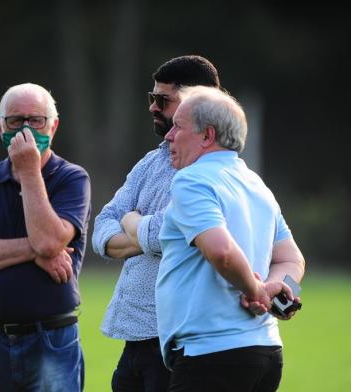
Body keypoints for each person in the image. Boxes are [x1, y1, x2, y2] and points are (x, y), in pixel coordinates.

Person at [155, 86, 305, 392]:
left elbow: (220, 251)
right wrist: (280, 290)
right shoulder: (255, 183)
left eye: (178, 127)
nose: (169, 136)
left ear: (207, 136)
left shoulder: (192, 180)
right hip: (266, 352)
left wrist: (258, 291)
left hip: (211, 355)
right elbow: (292, 259)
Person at [91, 55, 220, 391]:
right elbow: (103, 226)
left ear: (198, 102)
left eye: (163, 100)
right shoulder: (152, 160)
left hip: (175, 340)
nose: (152, 107)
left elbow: (169, 235)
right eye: (152, 98)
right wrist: (147, 234)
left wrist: (133, 221)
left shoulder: (210, 169)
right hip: (134, 339)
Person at [0, 83, 91, 391]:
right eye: (16, 121)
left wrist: (30, 170)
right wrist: (33, 253)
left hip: (52, 339)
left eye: (36, 120)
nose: (26, 129)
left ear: (54, 126)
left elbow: (49, 241)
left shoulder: (72, 178)